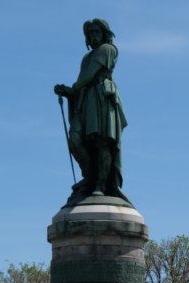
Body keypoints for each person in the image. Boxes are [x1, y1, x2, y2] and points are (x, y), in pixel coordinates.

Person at [54, 18, 128, 201]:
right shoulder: (86, 57)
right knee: (75, 140)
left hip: (101, 97)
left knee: (102, 142)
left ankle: (100, 184)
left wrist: (72, 89)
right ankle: (89, 176)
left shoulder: (108, 49)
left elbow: (90, 75)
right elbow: (83, 80)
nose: (94, 36)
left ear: (104, 33)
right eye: (91, 33)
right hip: (86, 100)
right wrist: (69, 93)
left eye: (97, 32)